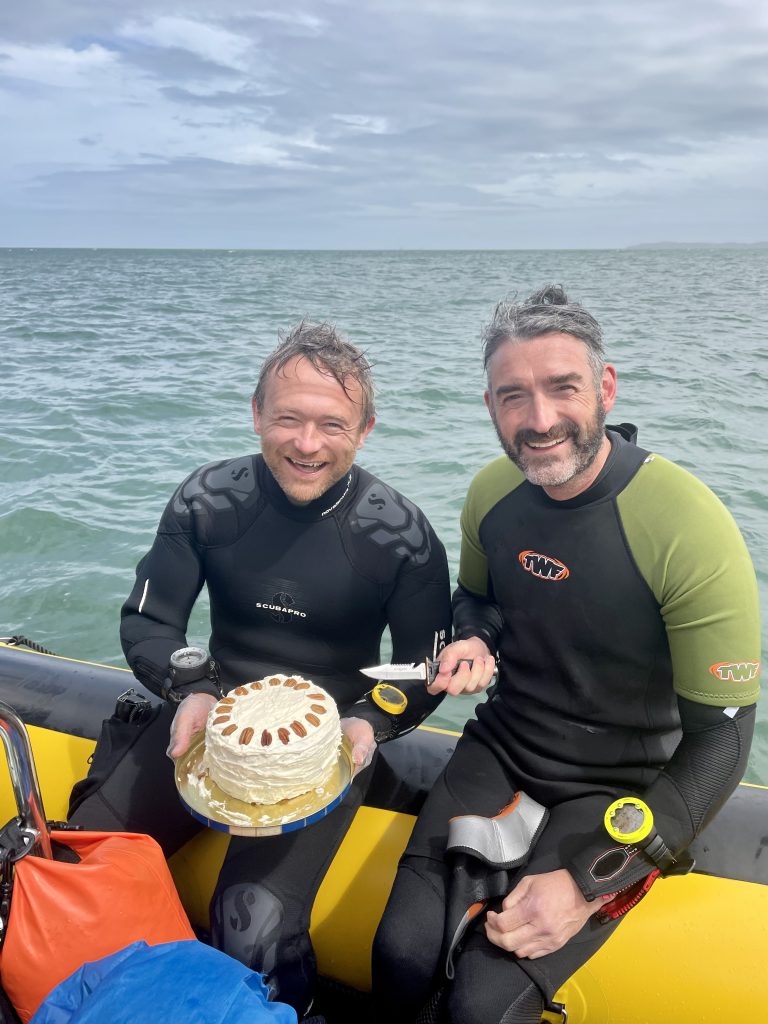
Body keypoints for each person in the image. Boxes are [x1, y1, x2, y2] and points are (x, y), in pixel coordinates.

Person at [372, 285, 761, 1024]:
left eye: (562, 388)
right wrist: (474, 639)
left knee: (483, 1006)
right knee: (399, 953)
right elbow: (476, 600)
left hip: (623, 783)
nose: (540, 420)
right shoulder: (492, 494)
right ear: (490, 404)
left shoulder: (686, 524)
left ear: (605, 387)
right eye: (514, 396)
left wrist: (589, 882)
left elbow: (725, 738)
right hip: (504, 749)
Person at [68, 321, 452, 1020]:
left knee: (253, 924)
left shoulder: (400, 535)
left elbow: (423, 668)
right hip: (209, 718)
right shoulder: (208, 501)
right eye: (289, 419)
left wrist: (368, 721)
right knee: (85, 861)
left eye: (332, 424)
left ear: (365, 429)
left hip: (322, 746)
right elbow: (152, 622)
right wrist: (191, 691)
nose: (307, 444)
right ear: (256, 414)